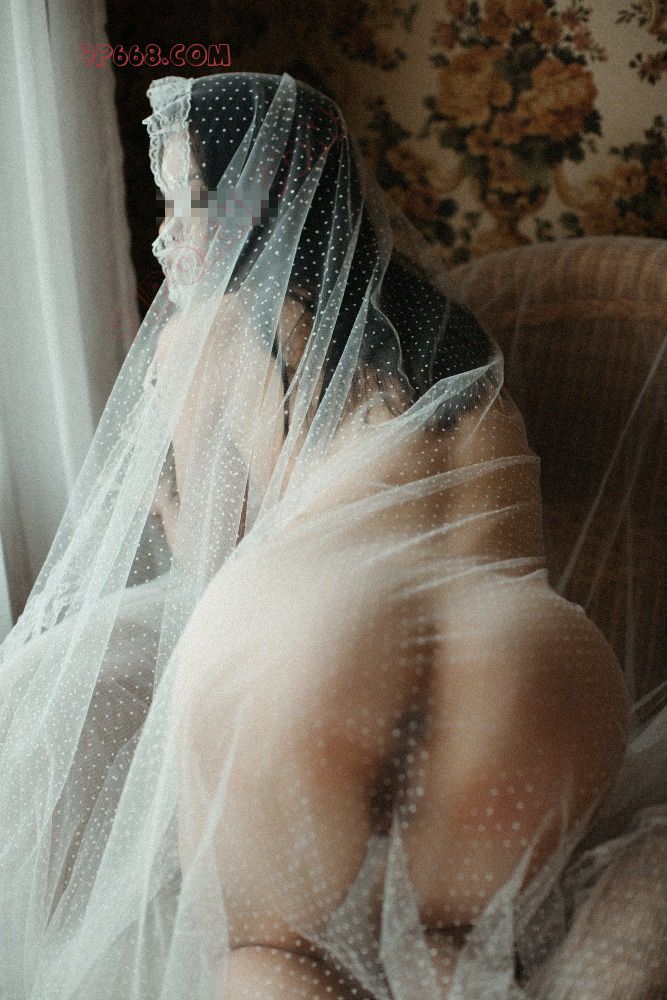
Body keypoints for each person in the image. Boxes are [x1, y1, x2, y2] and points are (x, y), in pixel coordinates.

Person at [0, 70, 662, 1000]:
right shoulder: (453, 332)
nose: (164, 234)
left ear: (256, 202)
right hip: (536, 666)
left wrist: (164, 509)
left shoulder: (214, 328)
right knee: (447, 949)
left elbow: (213, 560)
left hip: (318, 640)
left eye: (185, 202)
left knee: (276, 960)